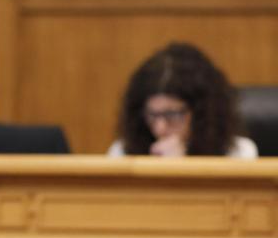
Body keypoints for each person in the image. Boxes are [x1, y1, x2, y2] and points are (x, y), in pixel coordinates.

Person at [108, 42, 257, 158]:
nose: (160, 128)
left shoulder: (239, 153)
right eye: (152, 115)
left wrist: (181, 167)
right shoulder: (122, 153)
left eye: (172, 115)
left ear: (201, 113)